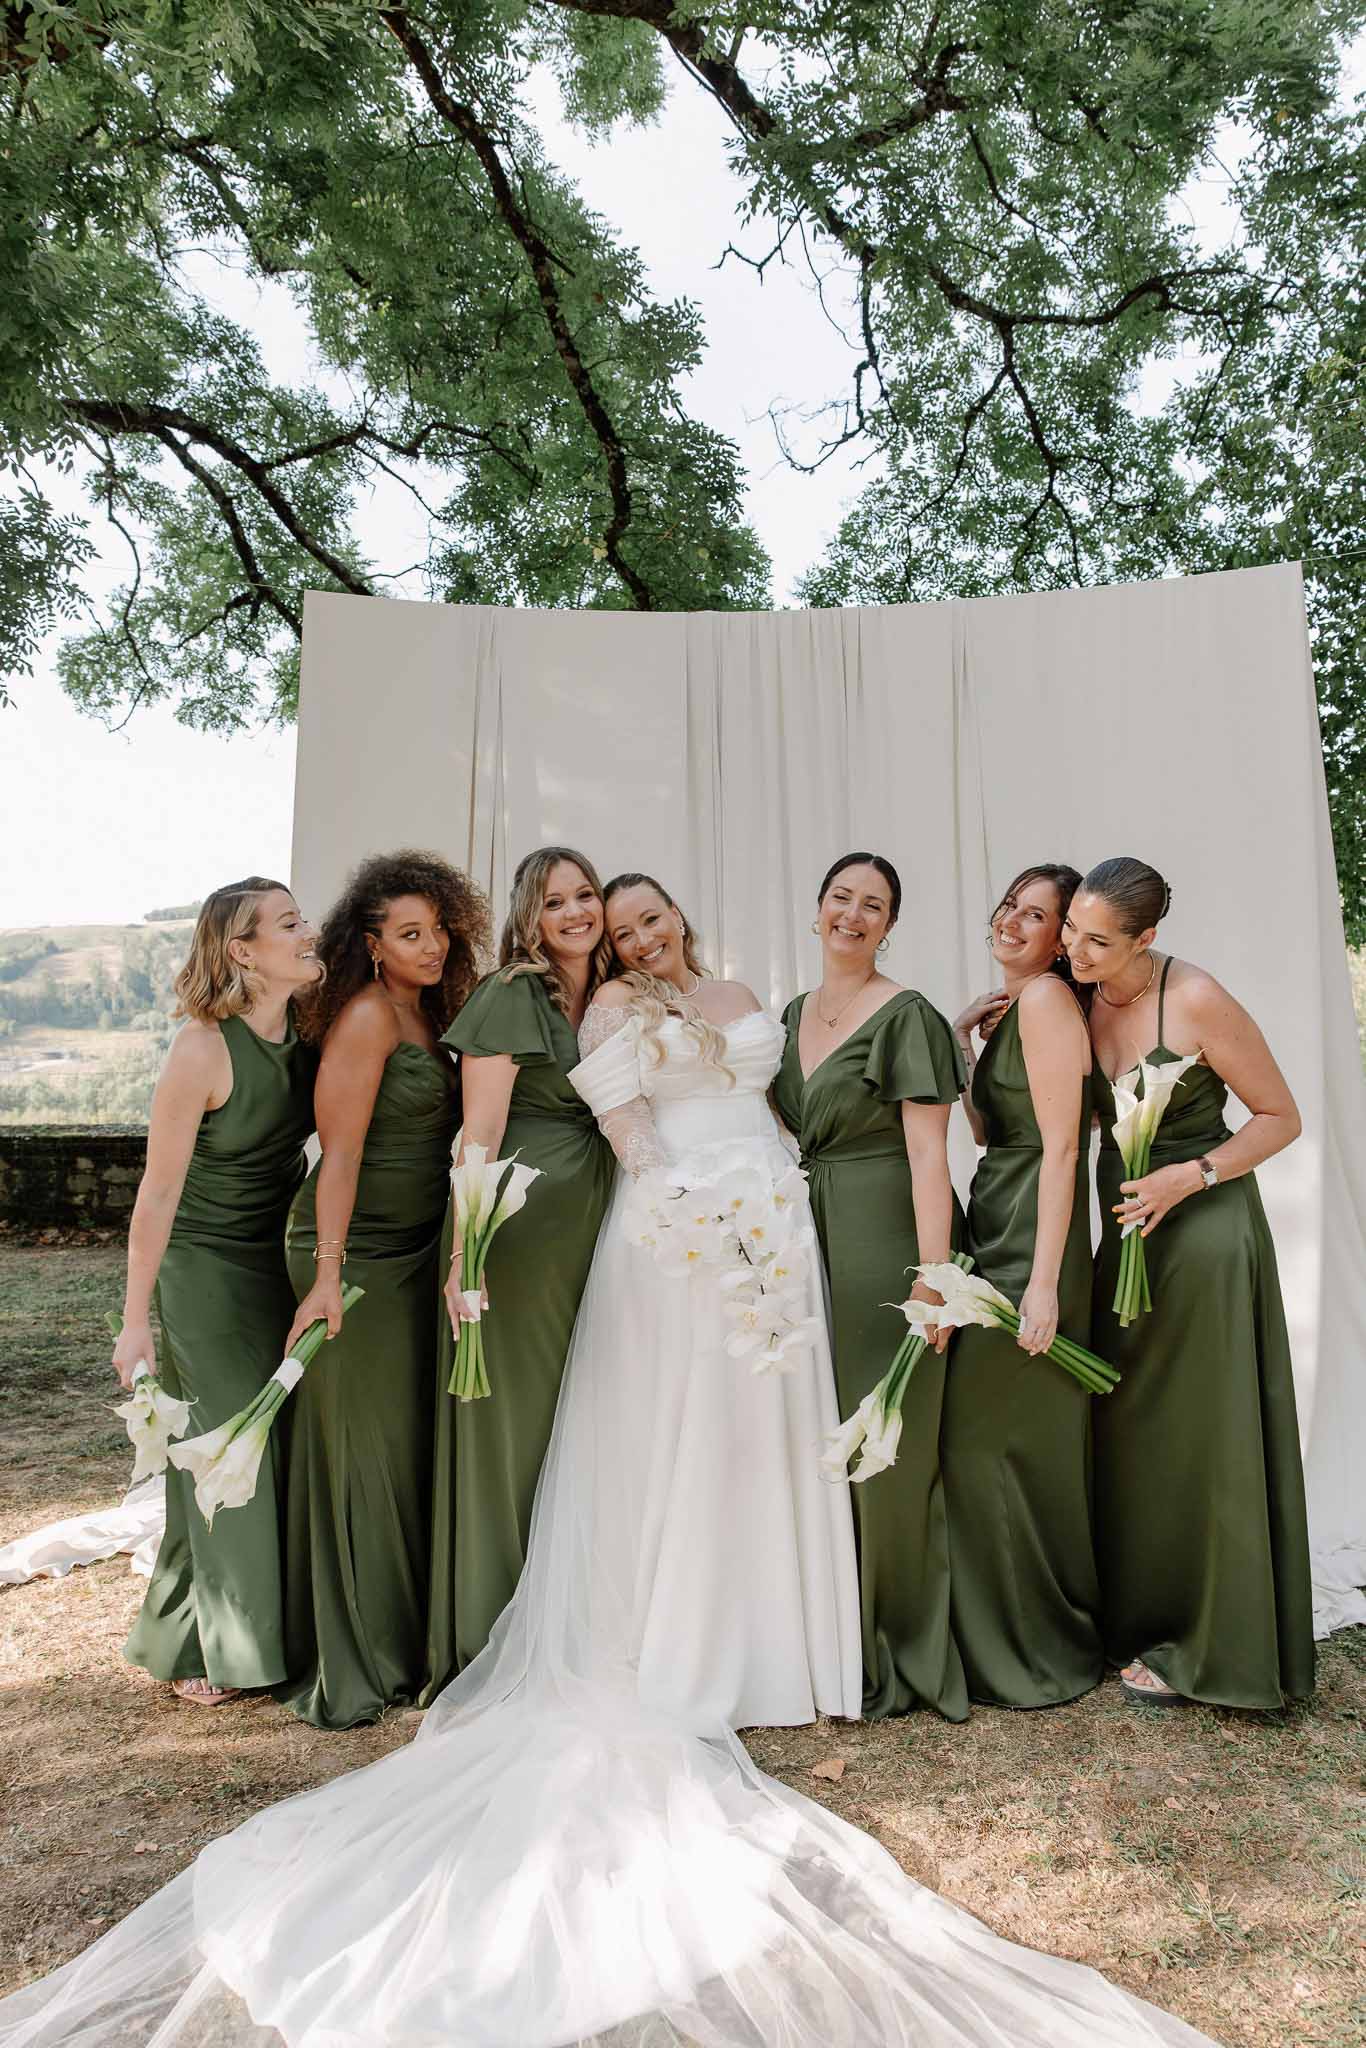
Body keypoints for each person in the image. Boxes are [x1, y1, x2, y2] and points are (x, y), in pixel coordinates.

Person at [0, 870, 1219, 2048]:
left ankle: (774, 1630)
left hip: (779, 1223)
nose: (632, 937)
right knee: (667, 1428)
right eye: (612, 923)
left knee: (765, 1441)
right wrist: (691, 1204)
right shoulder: (609, 1013)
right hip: (681, 1223)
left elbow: (811, 1106)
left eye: (645, 916)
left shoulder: (761, 1004)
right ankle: (665, 1626)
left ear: (678, 917)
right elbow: (625, 1122)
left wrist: (810, 1171)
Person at [1066, 856, 1314, 1708]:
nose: (1077, 950)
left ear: (1148, 939)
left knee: (1205, 1442)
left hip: (1206, 1238)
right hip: (1126, 1243)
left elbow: (1281, 1116)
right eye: (1071, 931)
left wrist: (1192, 1175)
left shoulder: (1197, 997)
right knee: (1133, 1436)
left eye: (1098, 941)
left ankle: (1215, 1642)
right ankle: (1140, 1620)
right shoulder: (1077, 994)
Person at [277, 852, 483, 1728]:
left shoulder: (432, 1011)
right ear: (370, 943)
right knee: (363, 1450)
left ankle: (402, 1643)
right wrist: (326, 1277)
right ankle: (357, 1652)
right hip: (352, 1253)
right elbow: (341, 1156)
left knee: (401, 1447)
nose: (431, 946)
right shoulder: (366, 1016)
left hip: (416, 1250)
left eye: (437, 929)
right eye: (409, 934)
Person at [115, 879, 320, 1707]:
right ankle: (229, 1644)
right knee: (228, 1438)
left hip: (276, 1258)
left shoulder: (308, 1033)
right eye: (290, 924)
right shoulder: (201, 1049)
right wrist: (136, 1323)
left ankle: (181, 1626)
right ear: (242, 950)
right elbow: (155, 1198)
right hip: (201, 1266)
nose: (308, 933)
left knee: (260, 1437)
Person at [773, 852, 968, 1720]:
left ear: (890, 924)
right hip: (809, 1232)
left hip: (887, 1233)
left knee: (887, 1436)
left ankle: (900, 1644)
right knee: (825, 1427)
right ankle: (832, 1633)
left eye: (874, 905)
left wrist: (934, 1281)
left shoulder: (909, 1016)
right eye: (842, 898)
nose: (854, 915)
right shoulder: (788, 1015)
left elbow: (932, 1156)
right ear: (816, 910)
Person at [422, 846, 616, 1694]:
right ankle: (493, 1625)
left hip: (595, 1236)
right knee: (517, 1426)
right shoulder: (510, 995)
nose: (575, 912)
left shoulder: (609, 993)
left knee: (578, 1425)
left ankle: (568, 1611)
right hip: (521, 1236)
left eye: (585, 895)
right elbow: (478, 1135)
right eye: (554, 902)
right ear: (527, 918)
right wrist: (466, 1254)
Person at [943, 864, 1103, 1706]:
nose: (1012, 920)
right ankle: (997, 1630)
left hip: (1034, 1237)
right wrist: (967, 1042)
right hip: (997, 1212)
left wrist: (1042, 1285)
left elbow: (1064, 1149)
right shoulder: (1014, 1009)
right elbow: (987, 1127)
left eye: (1035, 915)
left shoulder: (1045, 1002)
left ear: (1061, 940)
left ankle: (1032, 1642)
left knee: (993, 1439)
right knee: (992, 1441)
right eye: (1009, 904)